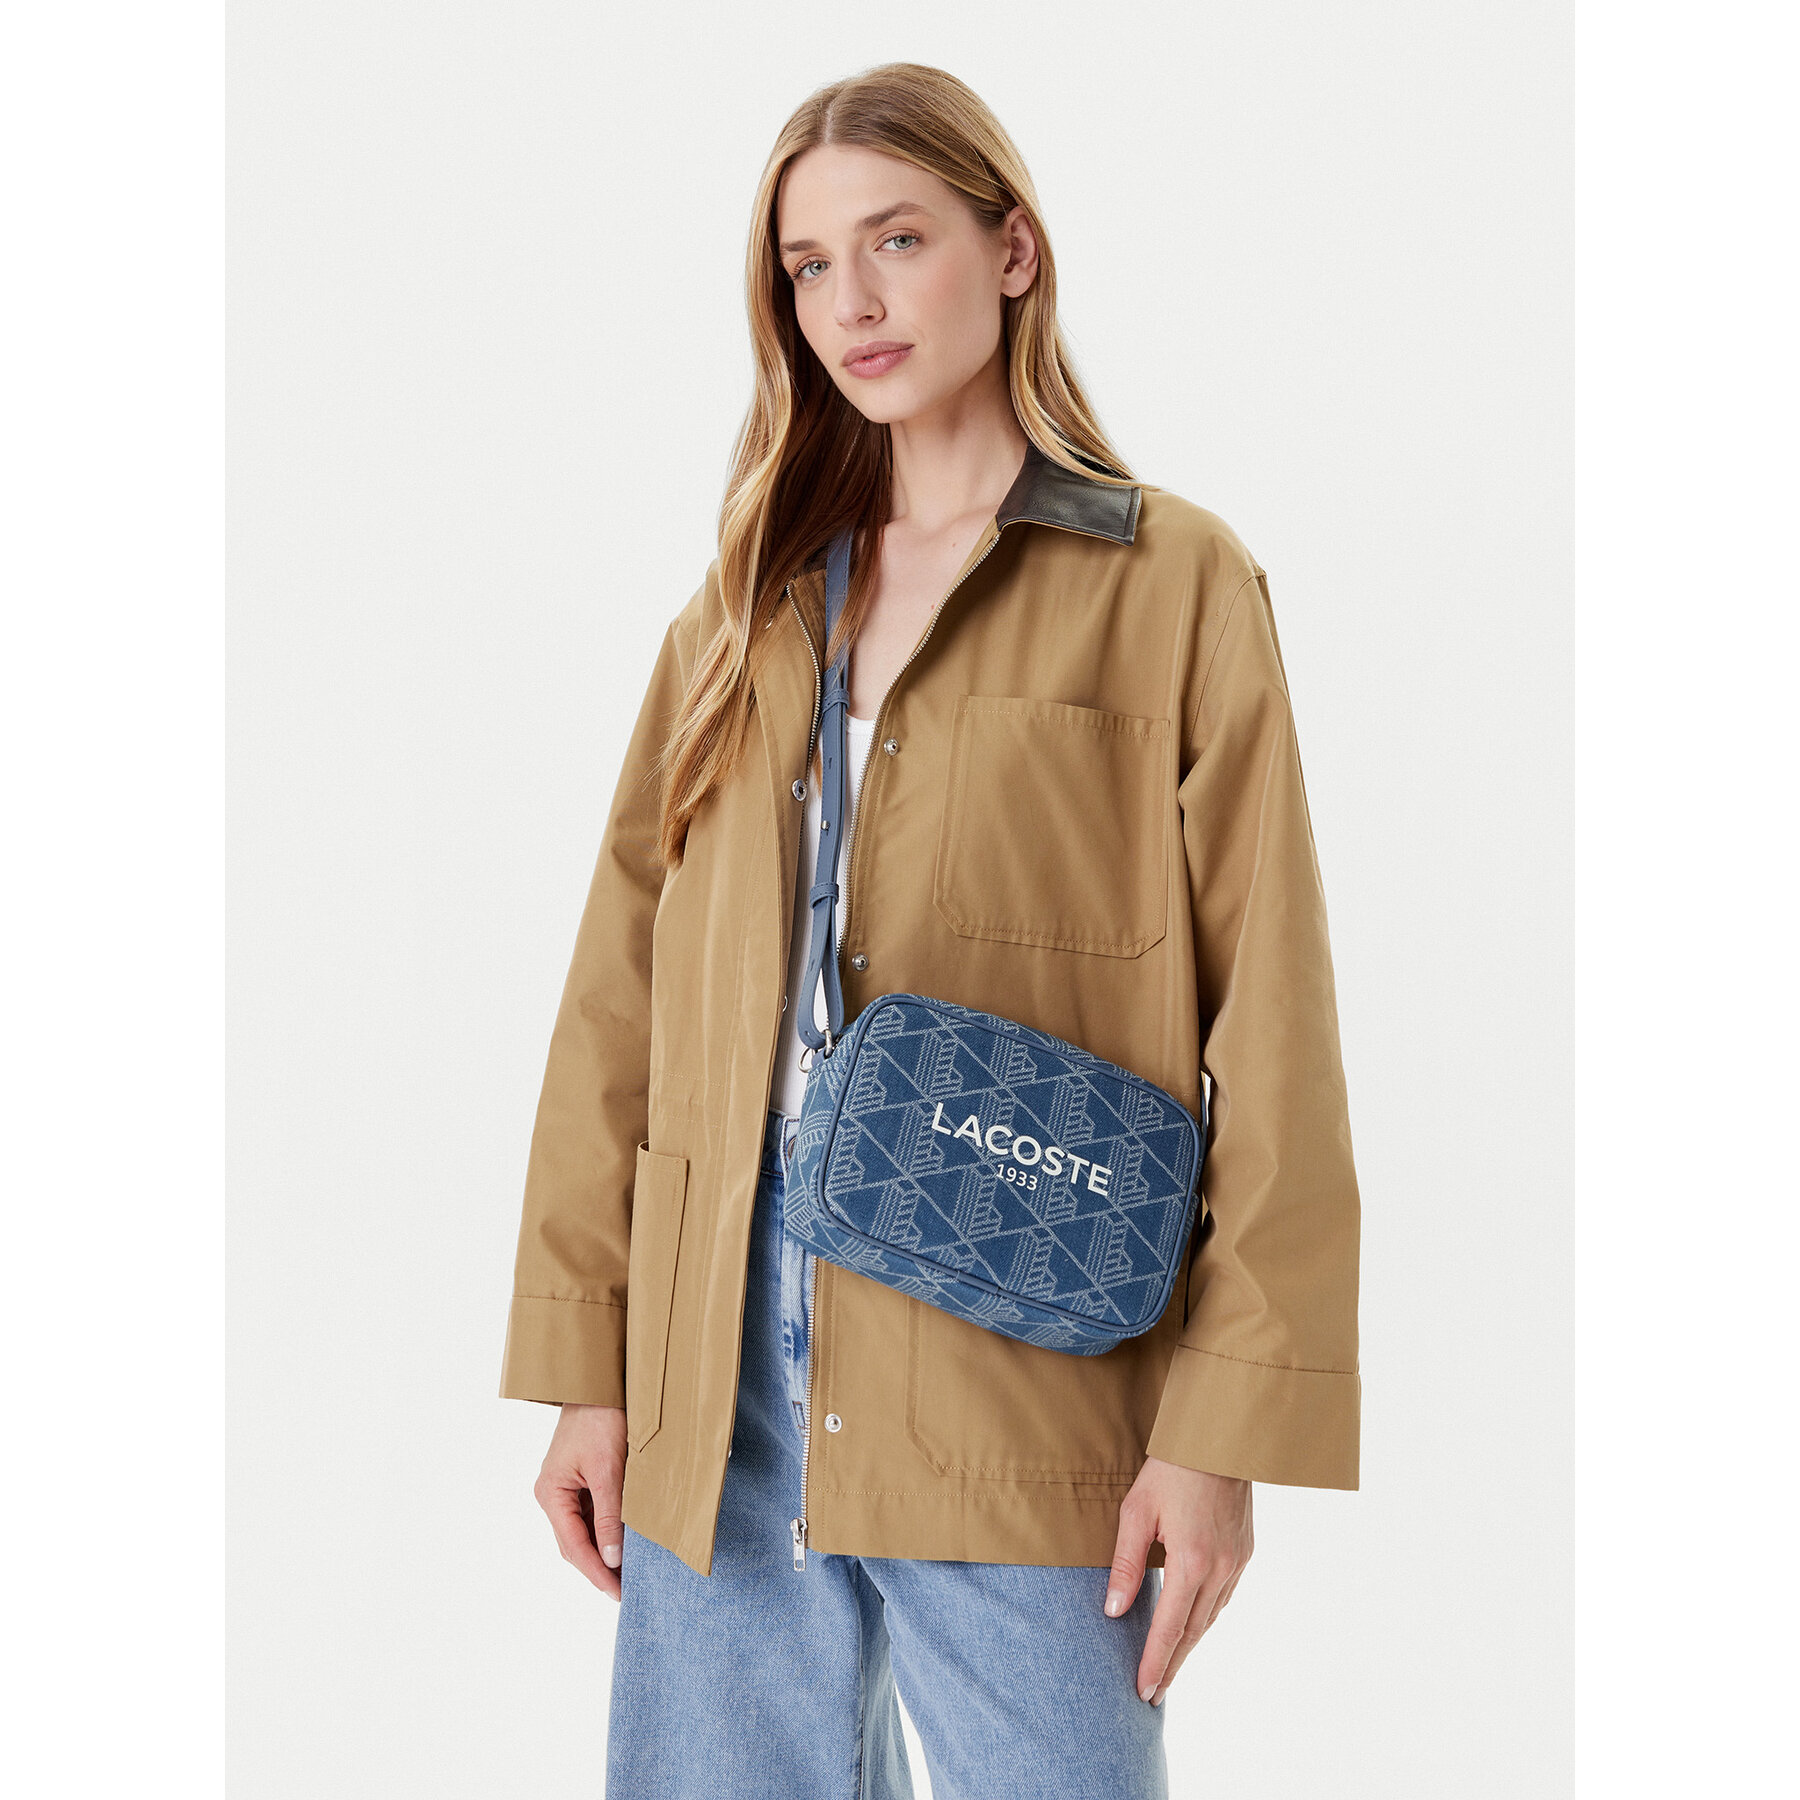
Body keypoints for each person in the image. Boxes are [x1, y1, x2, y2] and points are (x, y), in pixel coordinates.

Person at [499, 61, 1361, 1800]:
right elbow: (620, 1005)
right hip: (719, 1369)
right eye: (810, 266)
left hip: (1022, 1353)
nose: (854, 303)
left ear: (1013, 250)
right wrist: (591, 1367)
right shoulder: (738, 615)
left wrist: (1222, 1430)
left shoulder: (1171, 585)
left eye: (898, 240)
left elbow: (1271, 1020)